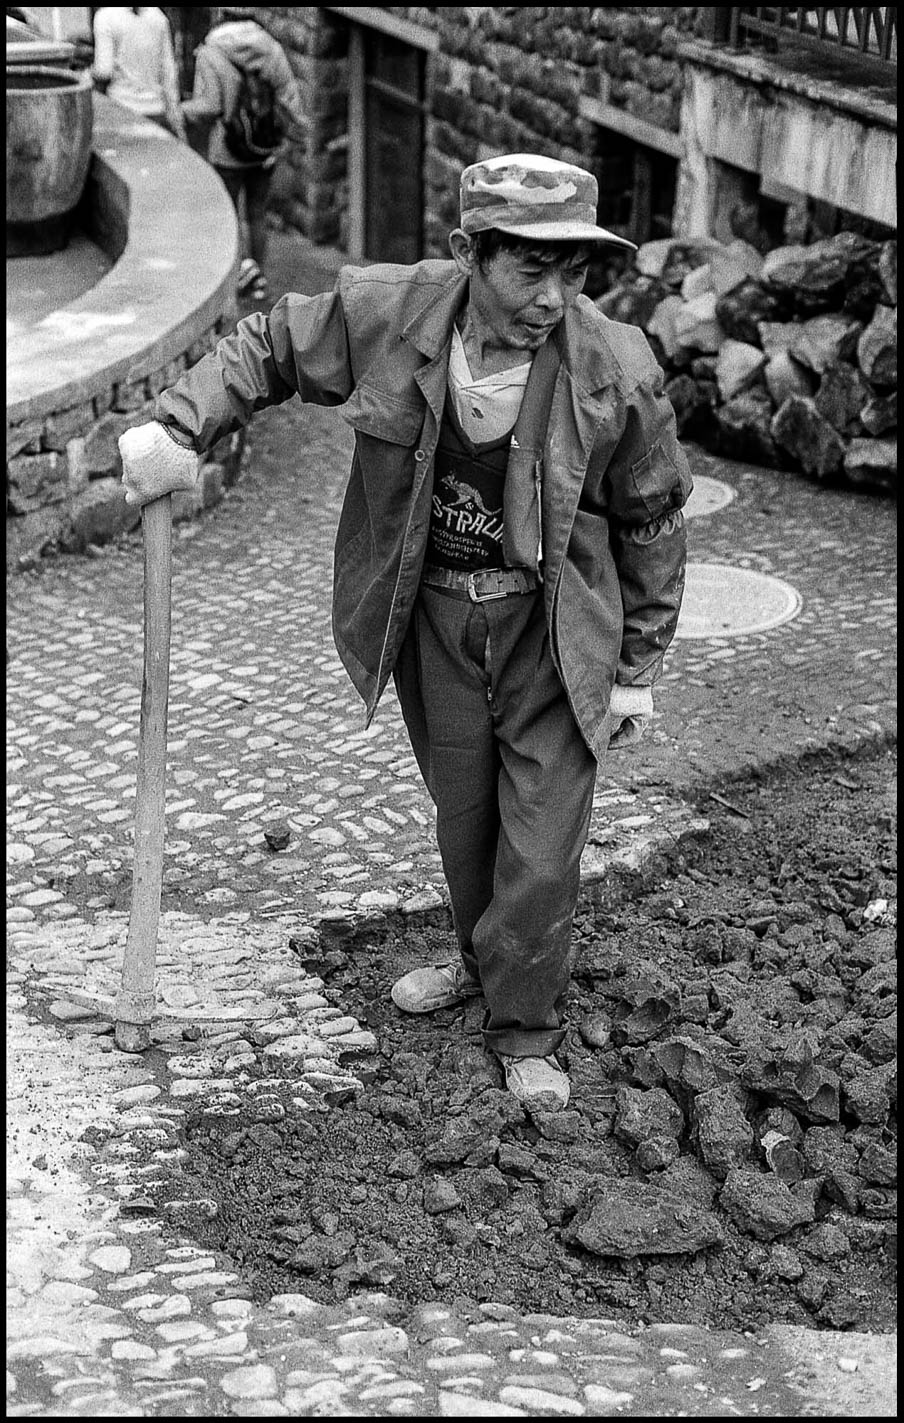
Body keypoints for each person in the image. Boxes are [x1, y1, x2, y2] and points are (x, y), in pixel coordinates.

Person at [118, 153, 692, 1112]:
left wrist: (636, 667)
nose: (554, 298)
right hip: (436, 618)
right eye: (531, 269)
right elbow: (271, 342)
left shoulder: (613, 366)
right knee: (465, 819)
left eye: (573, 271)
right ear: (470, 252)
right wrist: (181, 425)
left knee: (540, 845)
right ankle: (478, 962)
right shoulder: (391, 314)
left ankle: (525, 1026)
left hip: (552, 633)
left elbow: (654, 517)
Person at [181, 7, 305, 302]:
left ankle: (234, 278)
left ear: (222, 16)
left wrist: (179, 110)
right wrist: (286, 139)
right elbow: (289, 100)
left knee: (229, 216)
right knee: (257, 214)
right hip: (264, 148)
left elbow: (210, 106)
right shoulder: (271, 49)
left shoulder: (211, 52)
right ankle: (258, 281)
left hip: (228, 148)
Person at [92, 7, 186, 141]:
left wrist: (87, 75)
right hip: (155, 109)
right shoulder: (158, 17)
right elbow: (168, 72)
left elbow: (103, 71)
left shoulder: (105, 16)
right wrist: (175, 115)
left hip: (121, 108)